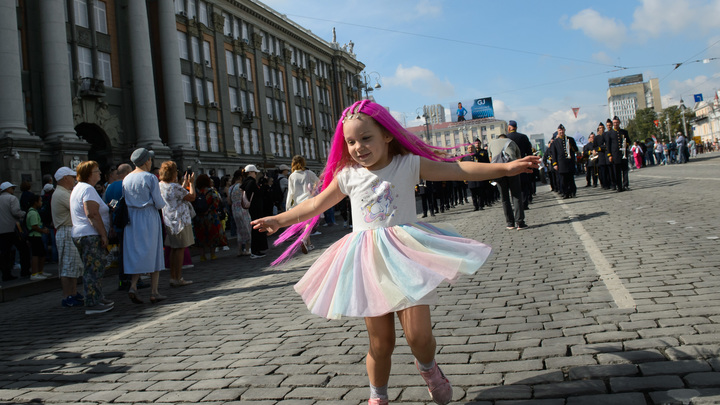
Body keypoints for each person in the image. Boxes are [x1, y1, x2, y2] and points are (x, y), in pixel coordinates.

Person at [251, 100, 539, 405]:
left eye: (365, 138)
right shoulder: (348, 176)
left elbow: (456, 169)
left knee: (418, 337)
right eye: (350, 141)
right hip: (367, 261)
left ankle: (429, 368)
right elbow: (314, 205)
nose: (358, 147)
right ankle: (378, 396)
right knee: (381, 342)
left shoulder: (408, 164)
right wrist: (278, 220)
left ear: (387, 135)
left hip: (406, 256)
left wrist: (506, 167)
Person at [123, 148, 167, 304]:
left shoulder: (126, 178)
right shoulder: (150, 178)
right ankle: (154, 291)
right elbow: (159, 202)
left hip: (132, 217)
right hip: (148, 215)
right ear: (147, 160)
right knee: (154, 251)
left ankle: (133, 285)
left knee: (136, 251)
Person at [69, 161, 114, 314]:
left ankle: (97, 296)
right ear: (89, 174)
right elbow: (92, 214)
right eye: (97, 171)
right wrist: (103, 234)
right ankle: (92, 302)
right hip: (89, 234)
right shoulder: (87, 189)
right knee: (93, 269)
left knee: (95, 267)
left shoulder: (79, 188)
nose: (99, 173)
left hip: (82, 233)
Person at [51, 167, 85, 307]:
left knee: (74, 265)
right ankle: (67, 295)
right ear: (65, 178)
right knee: (67, 265)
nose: (74, 180)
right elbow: (78, 207)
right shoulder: (61, 194)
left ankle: (73, 292)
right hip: (66, 230)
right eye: (72, 177)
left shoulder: (64, 192)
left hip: (69, 230)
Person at [158, 161, 195, 288]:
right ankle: (178, 277)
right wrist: (191, 183)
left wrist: (183, 184)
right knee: (180, 248)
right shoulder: (174, 187)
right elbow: (191, 196)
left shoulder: (161, 185)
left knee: (173, 249)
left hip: (169, 219)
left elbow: (178, 194)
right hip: (180, 220)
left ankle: (173, 276)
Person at [103, 163, 134, 291]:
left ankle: (122, 280)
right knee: (132, 252)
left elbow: (109, 208)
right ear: (127, 173)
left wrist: (111, 226)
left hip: (117, 223)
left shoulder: (109, 188)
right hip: (129, 222)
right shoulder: (127, 185)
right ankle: (133, 280)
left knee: (122, 253)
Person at [489, 134, 527, 229]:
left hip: (499, 171)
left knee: (504, 198)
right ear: (506, 138)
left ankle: (510, 223)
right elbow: (519, 158)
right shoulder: (512, 142)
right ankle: (520, 222)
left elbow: (490, 159)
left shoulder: (491, 143)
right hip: (512, 170)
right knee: (516, 195)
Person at [286, 155, 320, 253]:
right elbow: (319, 182)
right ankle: (304, 239)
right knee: (309, 223)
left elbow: (290, 193)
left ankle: (309, 244)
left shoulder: (292, 176)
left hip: (298, 203)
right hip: (308, 201)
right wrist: (314, 189)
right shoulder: (308, 173)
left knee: (305, 223)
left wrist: (288, 207)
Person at [192, 174, 228, 261]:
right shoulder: (211, 191)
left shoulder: (196, 192)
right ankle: (212, 254)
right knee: (213, 235)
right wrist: (209, 210)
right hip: (211, 216)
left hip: (199, 217)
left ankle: (202, 256)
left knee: (200, 236)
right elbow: (216, 202)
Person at [0, 182, 30, 281]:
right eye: (12, 188)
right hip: (14, 229)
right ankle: (25, 270)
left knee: (5, 252)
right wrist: (25, 214)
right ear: (8, 189)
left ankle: (6, 274)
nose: (13, 190)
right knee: (23, 249)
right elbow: (16, 212)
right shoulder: (12, 198)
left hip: (2, 230)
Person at [507, 120, 534, 209]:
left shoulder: (506, 138)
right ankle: (524, 203)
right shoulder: (523, 137)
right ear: (516, 127)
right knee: (523, 185)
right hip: (522, 163)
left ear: (509, 127)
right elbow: (529, 152)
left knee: (513, 186)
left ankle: (516, 204)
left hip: (510, 165)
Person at [549, 124, 579, 198]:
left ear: (564, 130)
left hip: (570, 162)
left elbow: (576, 150)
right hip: (561, 163)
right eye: (560, 130)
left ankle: (572, 192)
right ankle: (565, 193)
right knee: (563, 179)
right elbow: (554, 154)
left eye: (562, 130)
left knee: (571, 179)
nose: (561, 132)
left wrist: (571, 146)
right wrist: (555, 164)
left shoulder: (570, 139)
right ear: (558, 131)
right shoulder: (555, 142)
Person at [26, 193, 50, 280]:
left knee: (41, 254)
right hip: (34, 236)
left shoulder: (34, 211)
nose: (41, 202)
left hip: (37, 235)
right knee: (36, 254)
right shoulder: (32, 212)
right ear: (35, 202)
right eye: (40, 201)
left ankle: (40, 271)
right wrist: (43, 230)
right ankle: (35, 273)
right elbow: (34, 226)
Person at [228, 169, 252, 256]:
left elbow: (229, 201)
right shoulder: (241, 187)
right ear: (241, 177)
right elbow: (246, 198)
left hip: (234, 209)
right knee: (247, 228)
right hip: (242, 209)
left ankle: (239, 250)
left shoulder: (230, 188)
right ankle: (247, 249)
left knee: (239, 230)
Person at [605, 116, 631, 192]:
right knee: (617, 172)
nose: (616, 124)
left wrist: (627, 145)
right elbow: (608, 145)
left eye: (617, 122)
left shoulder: (624, 132)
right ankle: (619, 186)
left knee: (625, 170)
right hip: (615, 155)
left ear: (619, 123)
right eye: (614, 123)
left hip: (623, 154)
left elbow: (629, 141)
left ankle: (625, 185)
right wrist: (609, 155)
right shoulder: (610, 133)